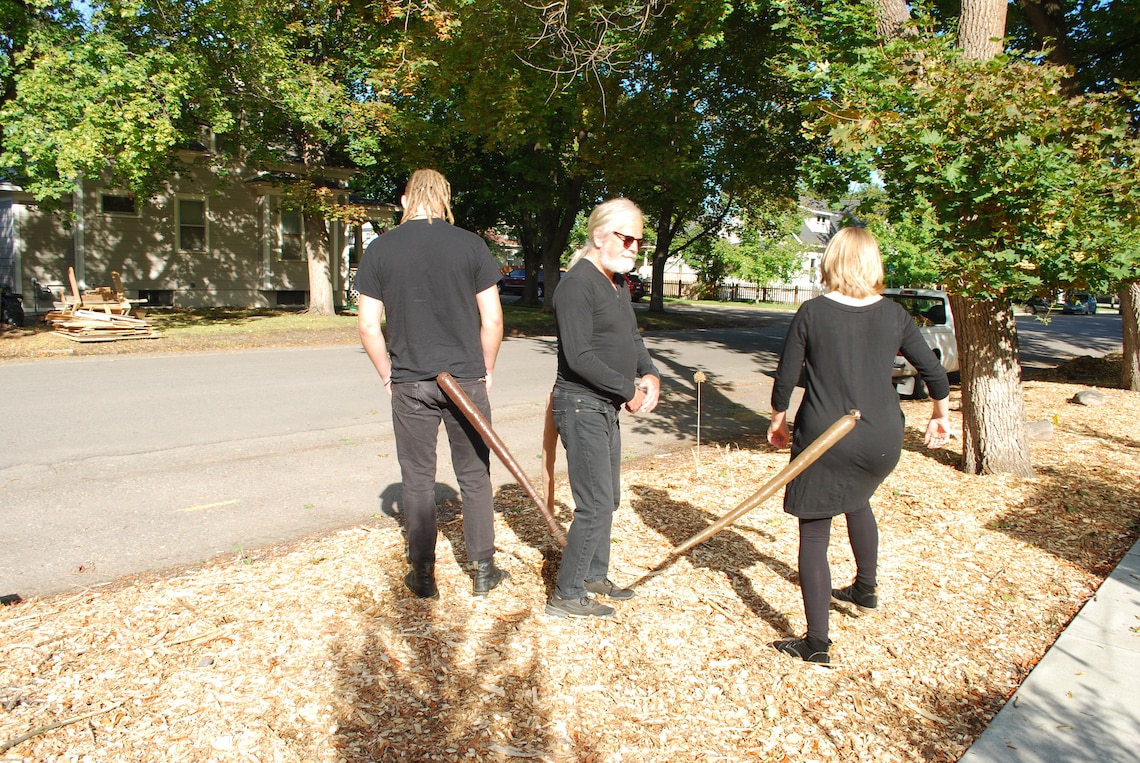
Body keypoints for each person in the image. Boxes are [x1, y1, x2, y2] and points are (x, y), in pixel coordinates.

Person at [767, 226, 951, 664]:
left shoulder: (812, 312)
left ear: (832, 261)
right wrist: (942, 415)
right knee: (858, 498)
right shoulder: (894, 315)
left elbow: (787, 374)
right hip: (881, 437)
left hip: (827, 437)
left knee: (814, 529)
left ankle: (815, 643)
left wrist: (778, 421)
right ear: (872, 263)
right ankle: (865, 589)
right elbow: (933, 370)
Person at [356, 169, 507, 600]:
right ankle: (482, 570)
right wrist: (487, 368)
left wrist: (388, 373)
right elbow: (493, 319)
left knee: (417, 479)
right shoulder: (471, 245)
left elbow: (368, 326)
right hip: (465, 379)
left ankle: (422, 575)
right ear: (444, 200)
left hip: (410, 382)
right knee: (475, 476)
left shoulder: (381, 249)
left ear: (405, 199)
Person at [545, 198, 661, 619]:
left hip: (603, 405)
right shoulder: (577, 284)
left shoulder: (617, 283)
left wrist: (648, 373)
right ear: (598, 236)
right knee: (594, 503)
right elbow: (578, 356)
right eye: (625, 236)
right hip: (580, 405)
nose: (633, 246)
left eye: (638, 240)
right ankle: (566, 594)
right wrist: (626, 387)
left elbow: (632, 338)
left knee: (607, 498)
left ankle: (594, 575)